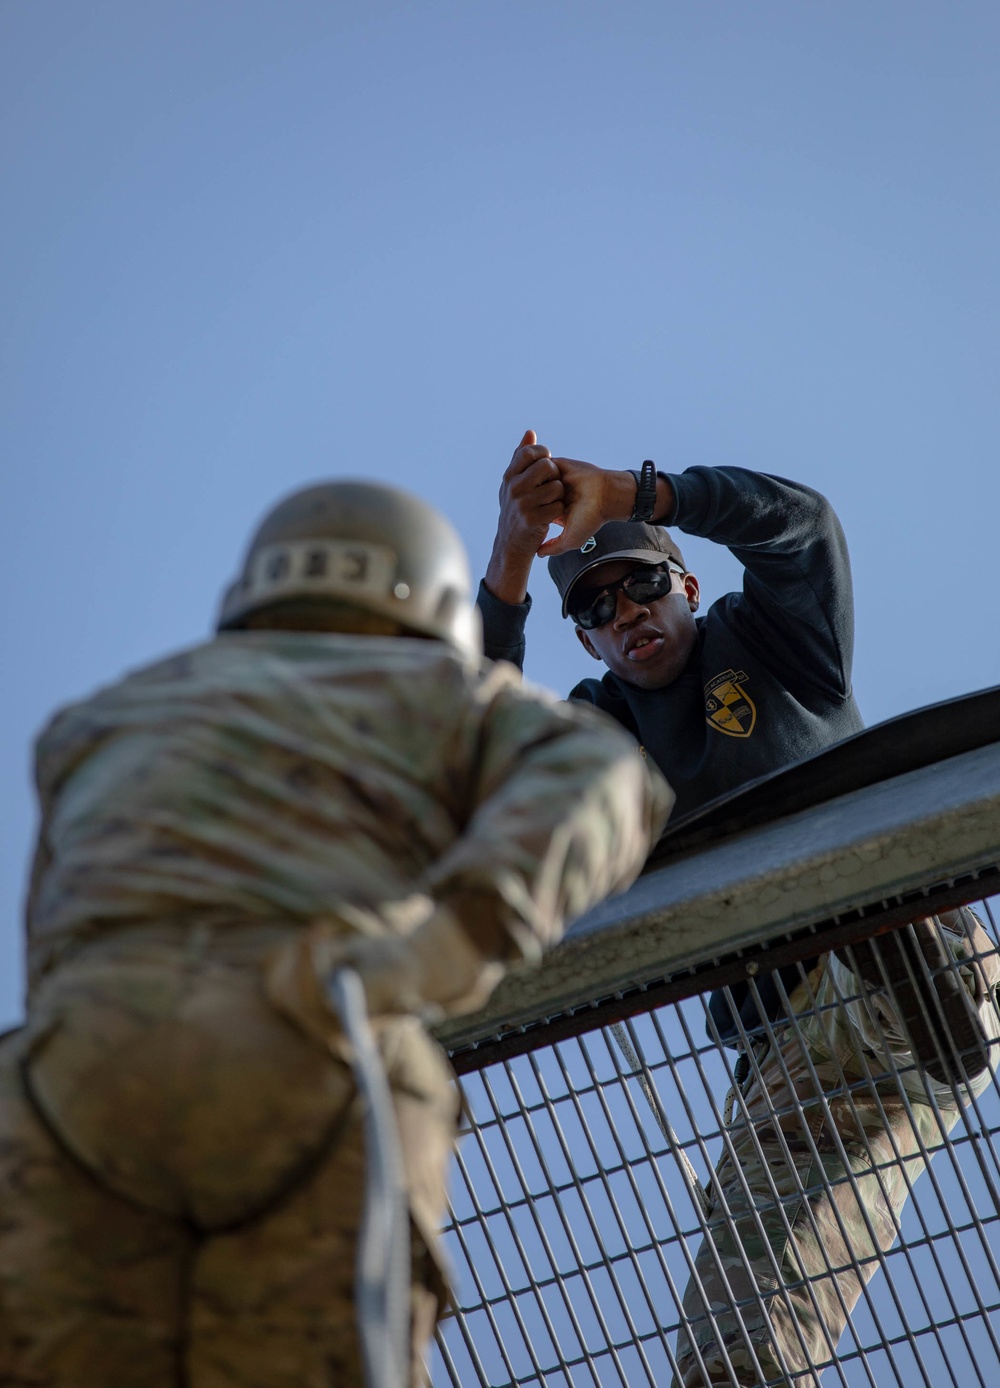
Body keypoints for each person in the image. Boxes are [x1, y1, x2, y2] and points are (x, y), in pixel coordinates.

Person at [0, 478, 672, 1388]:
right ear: (424, 597)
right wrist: (447, 945)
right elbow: (606, 777)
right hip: (310, 1050)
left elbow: (50, 934)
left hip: (67, 1075)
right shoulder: (438, 689)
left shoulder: (97, 722)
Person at [478, 431, 1000, 1386]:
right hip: (785, 1058)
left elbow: (801, 529)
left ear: (683, 584)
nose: (624, 612)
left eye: (639, 585)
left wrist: (643, 491)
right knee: (745, 1295)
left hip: (896, 959)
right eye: (596, 608)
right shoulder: (600, 734)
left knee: (872, 954)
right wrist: (512, 563)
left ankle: (901, 964)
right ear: (586, 639)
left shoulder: (766, 641)